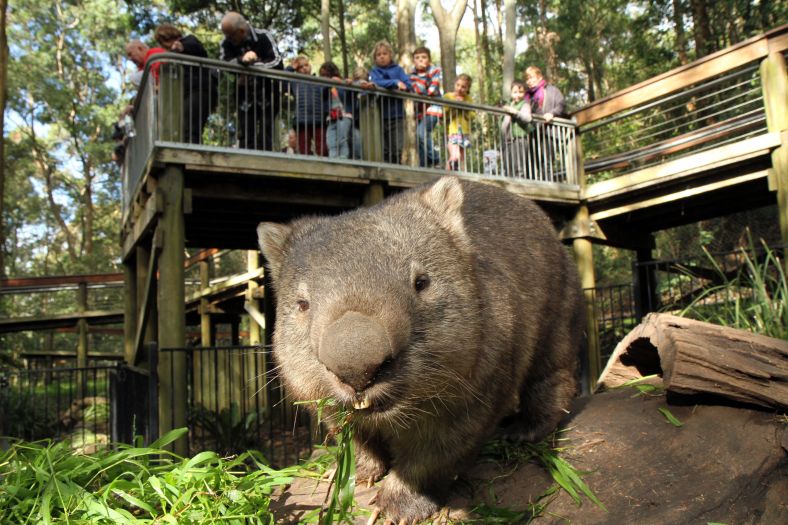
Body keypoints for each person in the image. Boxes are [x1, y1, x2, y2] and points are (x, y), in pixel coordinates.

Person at [219, 11, 284, 151]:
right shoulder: (226, 43)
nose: (228, 39)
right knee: (246, 135)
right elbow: (224, 63)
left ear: (241, 31)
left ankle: (265, 166)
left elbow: (277, 62)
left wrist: (253, 67)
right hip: (244, 98)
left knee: (265, 136)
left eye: (231, 36)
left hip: (268, 97)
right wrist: (242, 60)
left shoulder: (263, 36)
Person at [154, 23, 218, 145]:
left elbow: (198, 49)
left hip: (199, 89)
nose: (163, 46)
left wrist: (182, 47)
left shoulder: (189, 40)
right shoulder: (172, 53)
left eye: (163, 42)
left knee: (191, 127)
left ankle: (194, 153)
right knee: (185, 127)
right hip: (186, 93)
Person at [369, 41, 411, 164]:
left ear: (390, 55)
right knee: (384, 148)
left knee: (397, 147)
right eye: (378, 55)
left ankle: (396, 169)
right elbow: (376, 82)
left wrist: (399, 83)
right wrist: (395, 83)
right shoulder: (374, 71)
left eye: (385, 54)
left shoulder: (398, 70)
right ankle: (387, 170)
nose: (382, 56)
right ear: (375, 58)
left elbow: (408, 85)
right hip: (380, 115)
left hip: (396, 115)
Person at [524, 66, 566, 180]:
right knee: (532, 161)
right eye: (527, 79)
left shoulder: (551, 90)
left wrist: (552, 113)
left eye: (531, 77)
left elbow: (561, 104)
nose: (529, 81)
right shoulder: (528, 96)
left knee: (547, 161)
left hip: (549, 132)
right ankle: (534, 185)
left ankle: (548, 185)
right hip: (534, 132)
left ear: (539, 77)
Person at [409, 47, 442, 168]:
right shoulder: (411, 74)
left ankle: (436, 158)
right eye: (417, 58)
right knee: (421, 138)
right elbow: (411, 90)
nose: (420, 60)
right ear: (413, 61)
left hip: (433, 108)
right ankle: (424, 166)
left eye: (424, 57)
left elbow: (432, 89)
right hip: (420, 111)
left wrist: (419, 90)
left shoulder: (434, 70)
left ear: (429, 60)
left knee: (421, 133)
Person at [290, 56, 327, 156]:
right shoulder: (294, 81)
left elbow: (328, 89)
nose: (304, 68)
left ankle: (323, 167)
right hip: (302, 120)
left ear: (310, 66)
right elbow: (285, 75)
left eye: (306, 65)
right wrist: (292, 67)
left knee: (323, 148)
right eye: (300, 67)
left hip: (319, 119)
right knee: (304, 149)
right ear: (297, 70)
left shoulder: (319, 80)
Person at [319, 62, 354, 159]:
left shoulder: (342, 83)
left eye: (326, 75)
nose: (324, 77)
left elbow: (350, 95)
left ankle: (343, 158)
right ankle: (333, 158)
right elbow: (322, 92)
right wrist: (330, 82)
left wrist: (346, 83)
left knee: (342, 139)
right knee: (330, 140)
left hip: (344, 115)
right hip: (331, 117)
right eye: (322, 75)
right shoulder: (324, 87)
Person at [500, 80, 532, 178]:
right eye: (515, 92)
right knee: (507, 168)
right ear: (511, 93)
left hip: (519, 139)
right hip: (507, 140)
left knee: (518, 167)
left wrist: (515, 112)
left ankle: (520, 188)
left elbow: (527, 118)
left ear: (524, 93)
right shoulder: (509, 105)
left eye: (520, 92)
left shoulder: (524, 105)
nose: (518, 95)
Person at [443, 74, 474, 171]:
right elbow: (444, 113)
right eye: (458, 85)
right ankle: (447, 175)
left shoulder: (468, 99)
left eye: (463, 87)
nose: (460, 88)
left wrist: (463, 106)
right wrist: (455, 105)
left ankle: (461, 177)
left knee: (461, 157)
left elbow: (472, 116)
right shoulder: (448, 96)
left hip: (464, 132)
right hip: (453, 131)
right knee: (454, 155)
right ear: (455, 84)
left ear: (468, 88)